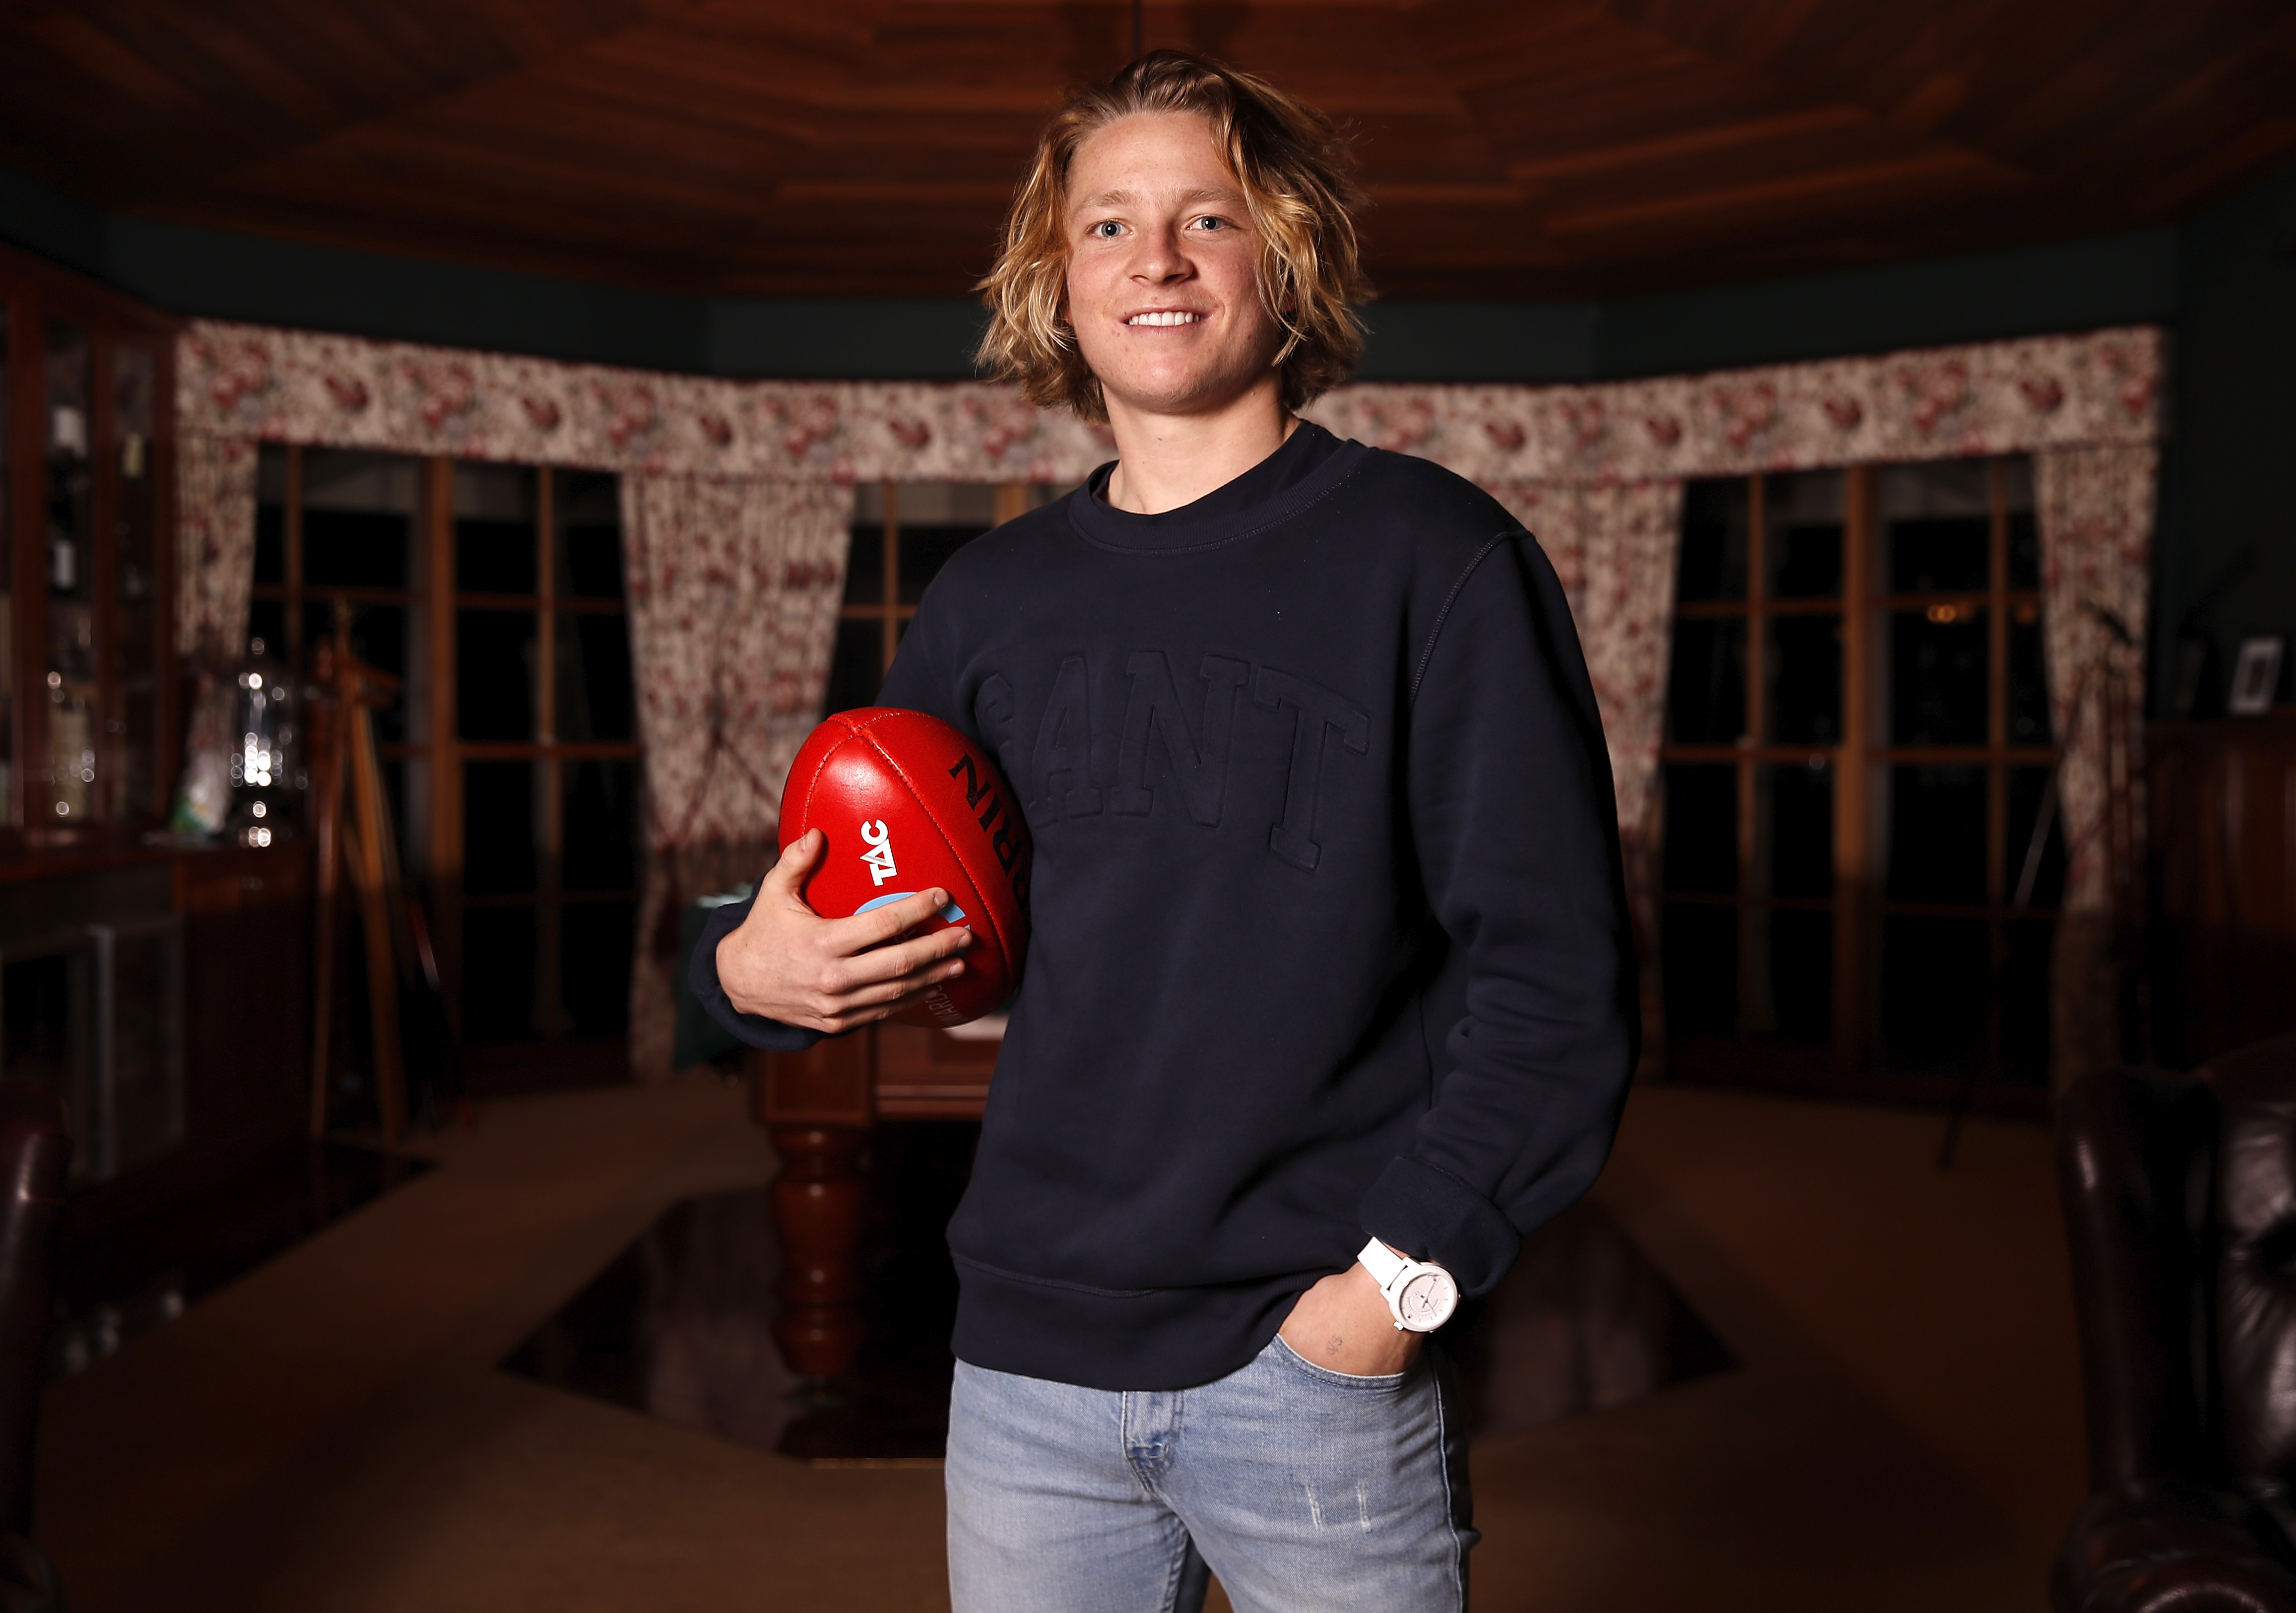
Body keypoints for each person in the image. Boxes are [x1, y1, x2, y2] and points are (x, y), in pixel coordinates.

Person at [691, 50, 1637, 1613]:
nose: (1157, 259)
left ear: (1289, 254)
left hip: (1313, 1354)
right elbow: (864, 885)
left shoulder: (1438, 557)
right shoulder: (989, 599)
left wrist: (1393, 1288)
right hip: (1025, 1361)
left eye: (1209, 216)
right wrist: (743, 964)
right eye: (1109, 224)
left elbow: (1554, 980)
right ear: (1057, 282)